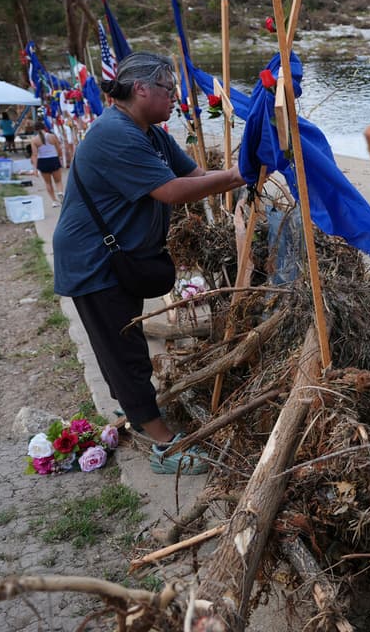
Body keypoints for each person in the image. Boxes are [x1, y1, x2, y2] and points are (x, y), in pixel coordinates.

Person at [52, 52, 245, 475]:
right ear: (141, 89)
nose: (175, 98)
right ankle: (162, 445)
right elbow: (174, 191)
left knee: (125, 344)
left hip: (119, 258)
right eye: (168, 89)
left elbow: (193, 173)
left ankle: (137, 411)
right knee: (125, 353)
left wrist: (238, 168)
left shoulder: (150, 133)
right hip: (94, 262)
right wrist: (236, 175)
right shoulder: (114, 134)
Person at [29, 120, 65, 207]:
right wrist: (60, 158)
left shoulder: (34, 140)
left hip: (43, 161)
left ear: (35, 130)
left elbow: (34, 155)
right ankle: (60, 192)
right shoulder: (52, 136)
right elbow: (59, 149)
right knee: (58, 181)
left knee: (48, 183)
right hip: (53, 159)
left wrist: (35, 169)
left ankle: (54, 201)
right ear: (44, 127)